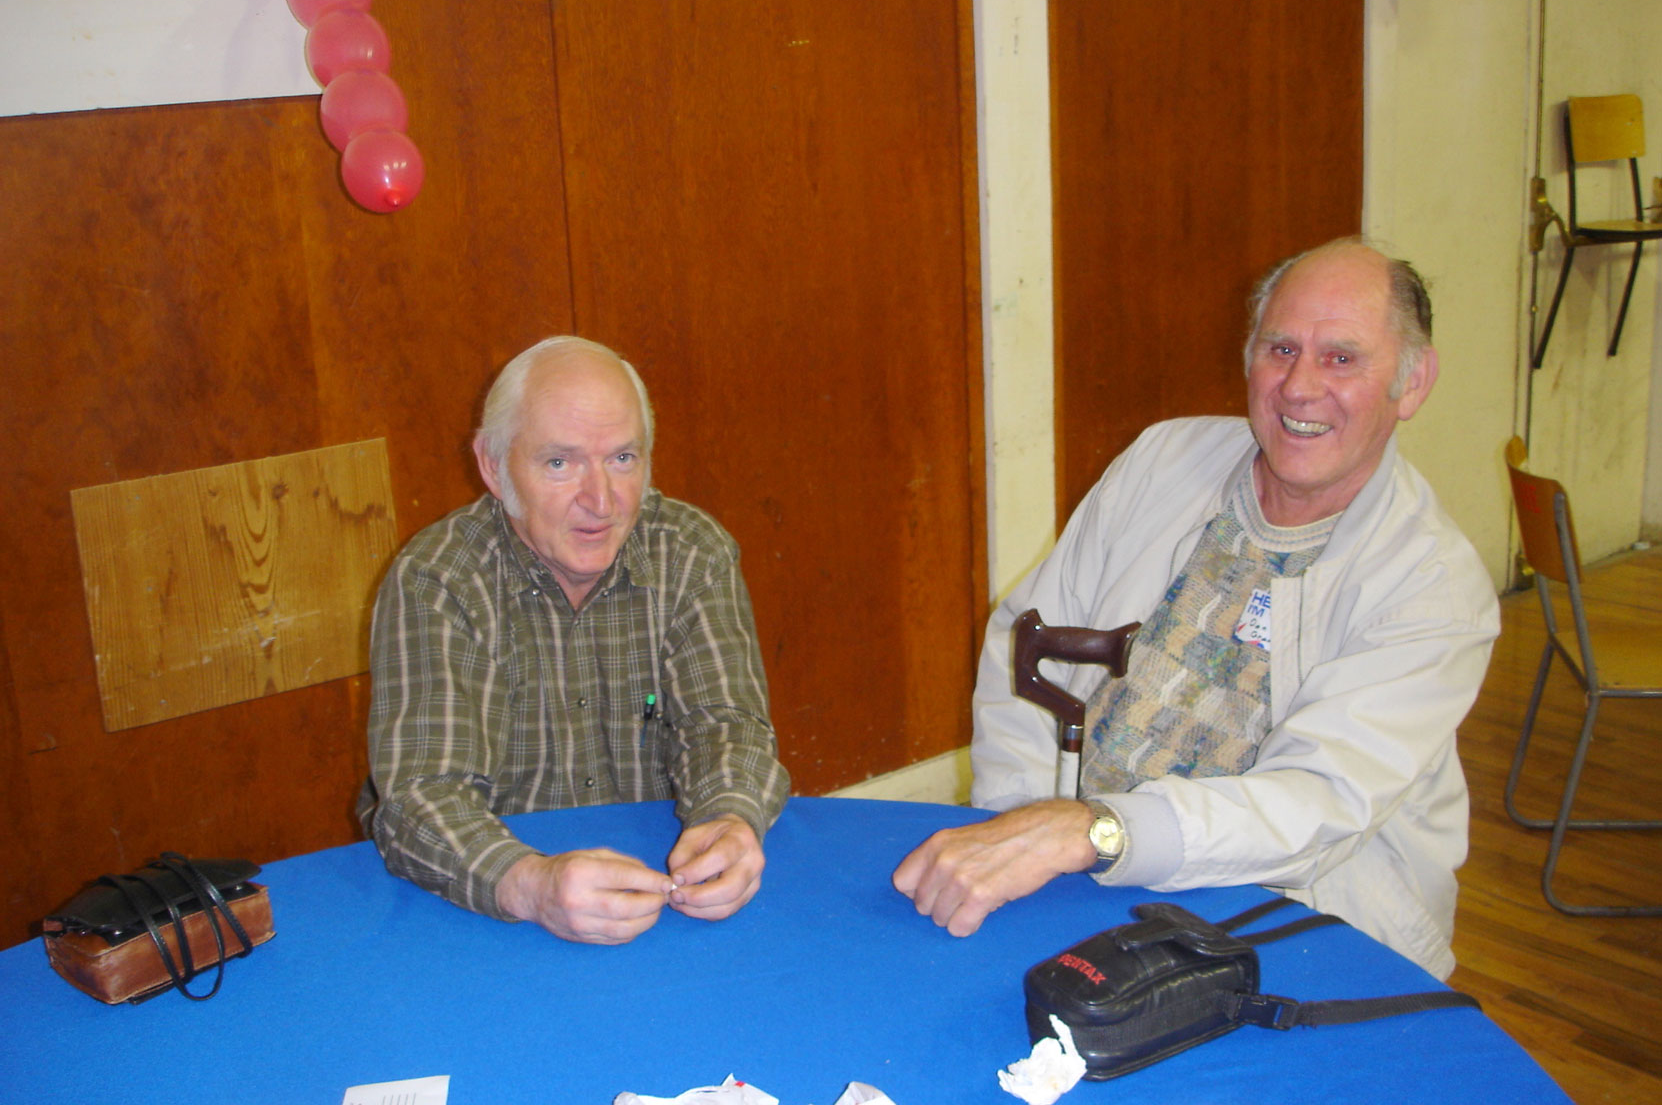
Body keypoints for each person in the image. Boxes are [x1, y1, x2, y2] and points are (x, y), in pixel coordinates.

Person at [893, 238, 1498, 979]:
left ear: (1412, 383)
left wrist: (1095, 831)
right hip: (1088, 881)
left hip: (1304, 920)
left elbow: (1315, 804)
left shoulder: (1432, 582)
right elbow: (1027, 645)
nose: (1300, 386)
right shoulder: (1161, 461)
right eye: (1280, 348)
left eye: (1342, 358)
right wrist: (1020, 822)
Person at [359, 335, 790, 945]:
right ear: (494, 465)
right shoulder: (439, 580)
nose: (601, 501)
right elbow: (421, 799)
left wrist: (729, 816)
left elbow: (728, 726)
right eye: (560, 463)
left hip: (656, 889)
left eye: (622, 459)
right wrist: (532, 885)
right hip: (486, 905)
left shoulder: (692, 553)